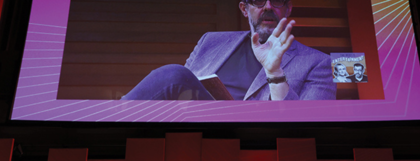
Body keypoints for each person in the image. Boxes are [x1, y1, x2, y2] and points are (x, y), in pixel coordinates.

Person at [122, 0, 336, 101]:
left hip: (261, 140)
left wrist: (274, 73)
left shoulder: (319, 63)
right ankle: (114, 118)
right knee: (175, 77)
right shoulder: (210, 42)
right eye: (259, 1)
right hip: (195, 128)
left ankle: (112, 115)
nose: (268, 6)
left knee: (173, 75)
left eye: (277, 0)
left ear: (288, 8)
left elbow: (308, 122)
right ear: (244, 9)